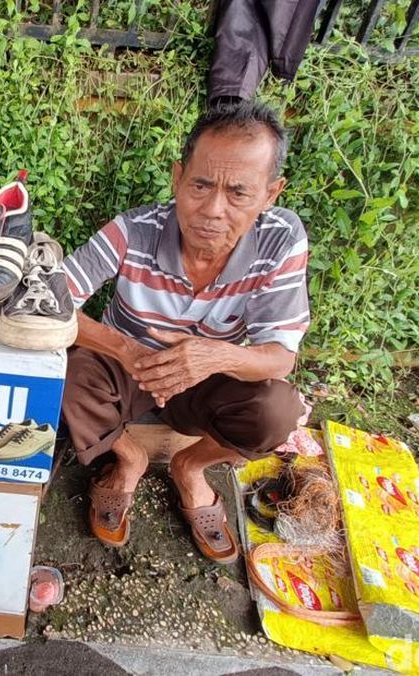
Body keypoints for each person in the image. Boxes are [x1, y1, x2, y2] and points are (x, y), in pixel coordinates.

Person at [60, 101, 309, 564]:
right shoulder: (134, 230)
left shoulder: (281, 239)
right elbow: (52, 303)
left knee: (277, 410)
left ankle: (190, 467)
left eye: (239, 193)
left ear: (270, 194)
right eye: (199, 185)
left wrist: (214, 358)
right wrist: (125, 349)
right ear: (177, 178)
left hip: (205, 382)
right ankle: (128, 460)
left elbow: (280, 356)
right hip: (124, 370)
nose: (212, 210)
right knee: (66, 375)